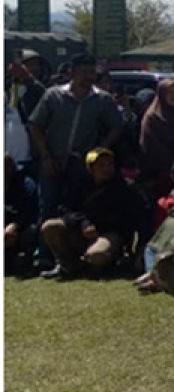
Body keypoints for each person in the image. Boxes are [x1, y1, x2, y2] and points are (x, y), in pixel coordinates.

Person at [27, 52, 123, 268]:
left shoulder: (102, 100)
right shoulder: (53, 96)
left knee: (74, 210)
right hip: (53, 160)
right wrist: (45, 155)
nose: (88, 76)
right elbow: (35, 125)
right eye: (84, 72)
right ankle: (44, 256)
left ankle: (69, 257)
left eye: (92, 72)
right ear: (72, 71)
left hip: (81, 166)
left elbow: (117, 126)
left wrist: (101, 150)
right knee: (48, 206)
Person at [39, 147, 142, 280]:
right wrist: (83, 223)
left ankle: (105, 262)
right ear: (90, 168)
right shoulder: (79, 185)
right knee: (50, 226)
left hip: (109, 234)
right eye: (101, 165)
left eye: (110, 164)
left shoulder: (125, 187)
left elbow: (131, 219)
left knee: (96, 256)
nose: (106, 168)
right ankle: (68, 265)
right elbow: (65, 209)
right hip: (82, 232)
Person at [5, 153, 39, 274]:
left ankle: (27, 261)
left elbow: (31, 211)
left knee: (32, 230)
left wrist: (15, 225)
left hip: (20, 230)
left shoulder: (26, 184)